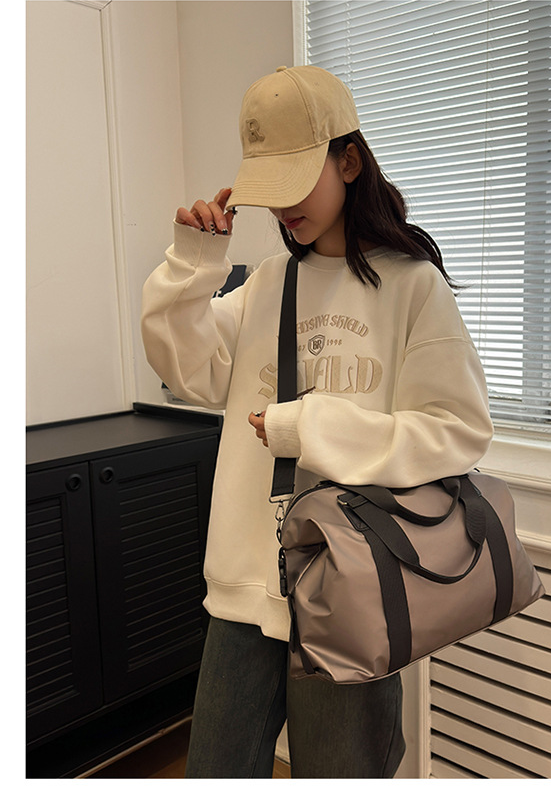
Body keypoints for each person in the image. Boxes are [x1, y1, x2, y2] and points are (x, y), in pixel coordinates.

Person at [141, 65, 494, 778]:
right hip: (247, 585)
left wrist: (314, 428)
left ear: (349, 161)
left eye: (296, 181)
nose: (282, 206)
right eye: (269, 187)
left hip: (352, 591)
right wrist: (194, 265)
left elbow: (457, 430)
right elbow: (190, 370)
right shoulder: (270, 280)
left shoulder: (412, 286)